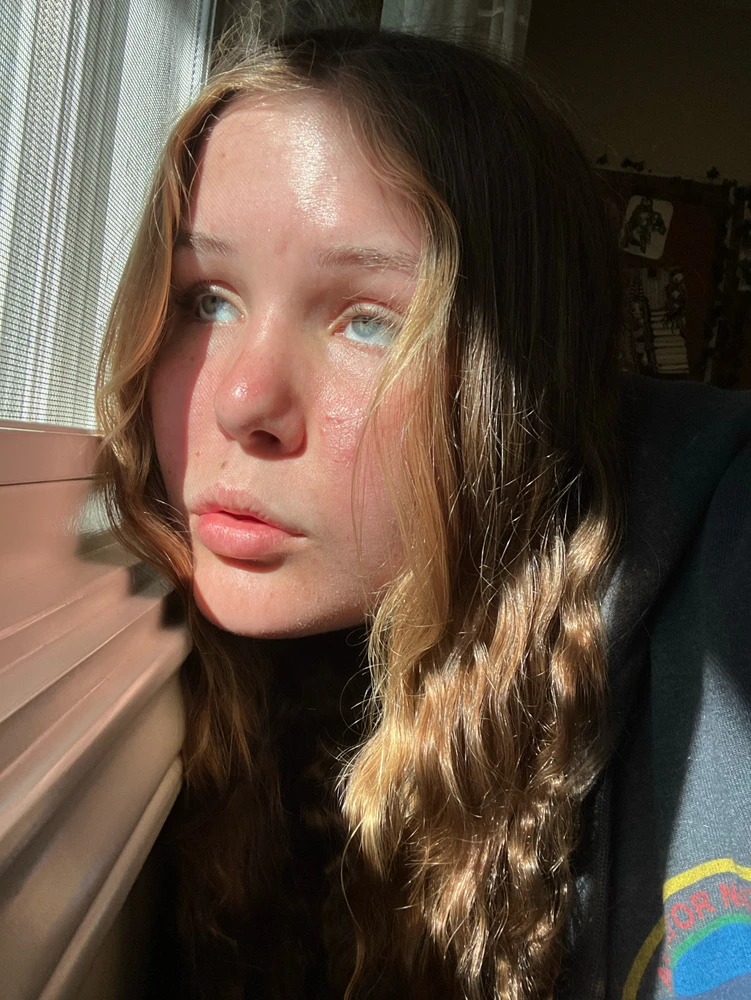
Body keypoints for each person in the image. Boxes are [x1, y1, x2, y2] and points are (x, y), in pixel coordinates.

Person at [94, 26, 751, 1000]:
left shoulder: (721, 563)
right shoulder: (212, 681)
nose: (239, 401)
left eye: (369, 319)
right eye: (207, 299)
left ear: (521, 376)